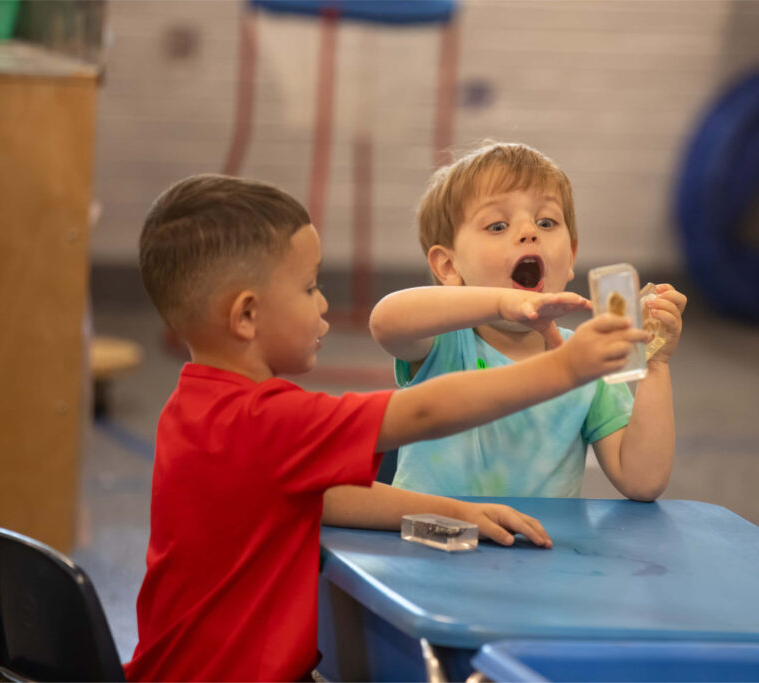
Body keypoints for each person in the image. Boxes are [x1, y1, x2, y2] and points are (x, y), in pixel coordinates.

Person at [124, 174, 649, 681]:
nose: (324, 303)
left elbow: (326, 497)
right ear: (245, 316)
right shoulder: (272, 422)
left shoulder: (192, 407)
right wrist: (565, 368)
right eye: (309, 288)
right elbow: (422, 412)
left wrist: (456, 512)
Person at [369, 141, 686, 500]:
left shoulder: (586, 359)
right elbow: (386, 321)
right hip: (436, 545)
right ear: (448, 266)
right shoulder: (443, 344)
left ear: (570, 256)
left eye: (546, 222)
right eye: (498, 225)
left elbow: (642, 481)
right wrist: (503, 303)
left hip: (534, 551)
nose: (528, 232)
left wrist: (656, 365)